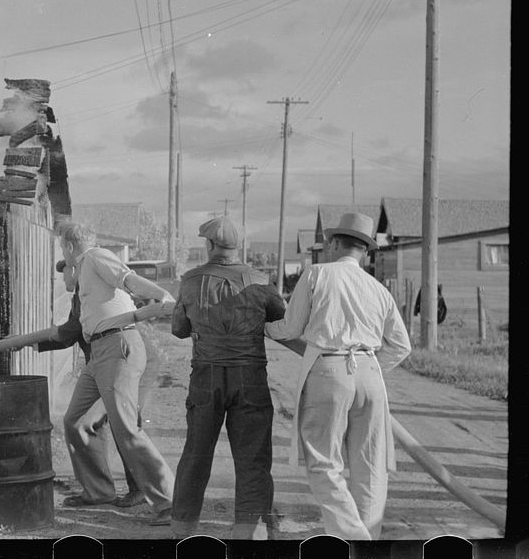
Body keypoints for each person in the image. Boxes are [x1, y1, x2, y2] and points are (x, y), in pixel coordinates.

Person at [265, 212, 412, 540]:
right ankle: (367, 538)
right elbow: (401, 346)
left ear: (333, 243)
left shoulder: (317, 273)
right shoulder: (378, 288)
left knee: (323, 462)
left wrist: (263, 327)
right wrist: (367, 367)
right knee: (369, 465)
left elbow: (290, 327)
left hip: (329, 371)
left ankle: (353, 537)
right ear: (366, 251)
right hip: (370, 372)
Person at [169, 216, 287, 539]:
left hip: (205, 377)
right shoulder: (260, 280)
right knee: (252, 456)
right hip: (250, 377)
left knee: (196, 453)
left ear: (209, 245)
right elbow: (281, 316)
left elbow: (179, 329)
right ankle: (247, 529)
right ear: (237, 247)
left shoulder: (190, 280)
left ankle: (182, 529)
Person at [54, 219, 177, 525]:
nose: (62, 253)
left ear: (69, 246)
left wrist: (162, 296)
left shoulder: (95, 256)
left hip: (118, 345)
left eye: (62, 247)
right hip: (99, 352)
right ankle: (98, 491)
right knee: (77, 420)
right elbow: (75, 291)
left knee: (125, 427)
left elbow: (128, 278)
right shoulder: (82, 268)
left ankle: (171, 501)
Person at [34, 259, 158, 508]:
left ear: (77, 271)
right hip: (116, 358)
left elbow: (68, 333)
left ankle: (143, 489)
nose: (64, 278)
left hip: (127, 355)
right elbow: (72, 332)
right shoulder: (83, 294)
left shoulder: (89, 292)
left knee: (123, 421)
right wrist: (36, 342)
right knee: (90, 420)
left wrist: (30, 341)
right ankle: (102, 489)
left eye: (66, 271)